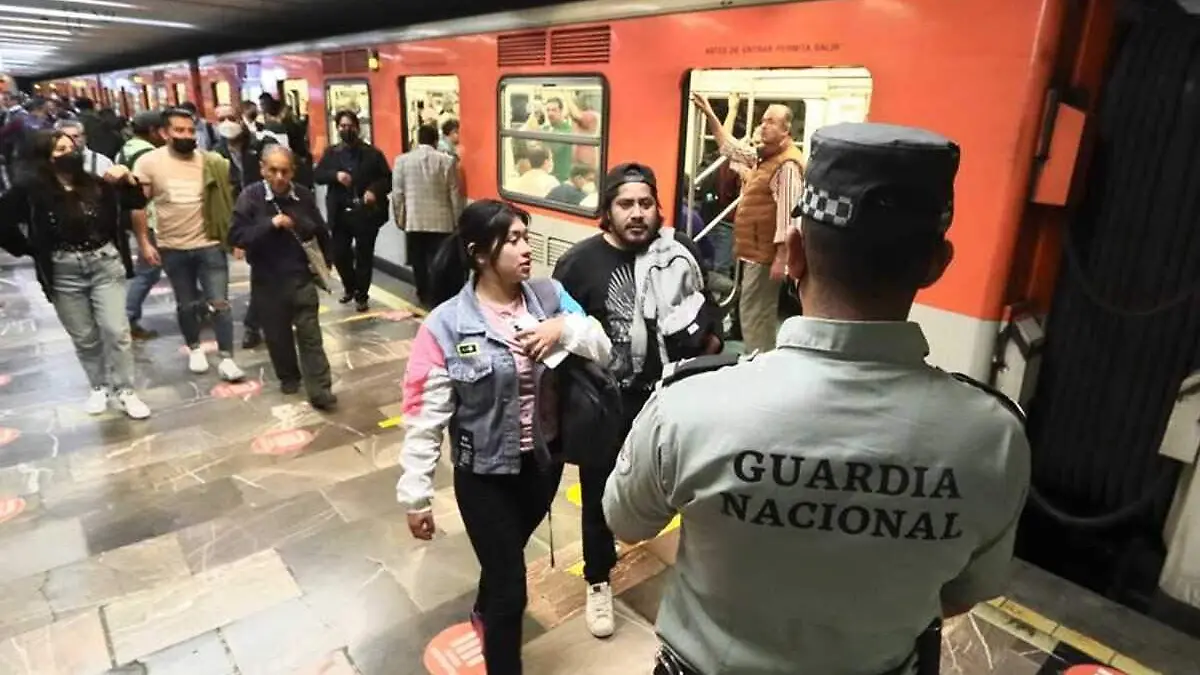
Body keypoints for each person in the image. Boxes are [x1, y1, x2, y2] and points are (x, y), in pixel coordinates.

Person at [603, 123, 1032, 675]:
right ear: (935, 266)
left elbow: (627, 522)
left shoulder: (691, 404)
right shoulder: (994, 438)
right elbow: (961, 594)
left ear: (795, 254)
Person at [398, 200, 612, 675]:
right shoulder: (446, 325)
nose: (524, 248)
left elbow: (602, 344)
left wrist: (563, 328)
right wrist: (416, 494)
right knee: (511, 586)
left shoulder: (551, 296)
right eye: (511, 240)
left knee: (503, 565)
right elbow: (423, 416)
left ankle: (484, 611)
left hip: (542, 465)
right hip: (484, 476)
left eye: (524, 236)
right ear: (478, 255)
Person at [553, 162, 723, 639]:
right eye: (625, 204)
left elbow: (703, 310)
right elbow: (560, 333)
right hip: (609, 406)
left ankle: (699, 575)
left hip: (671, 400)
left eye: (645, 204)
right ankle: (597, 578)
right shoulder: (578, 264)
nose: (637, 214)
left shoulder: (680, 251)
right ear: (607, 210)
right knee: (600, 496)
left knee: (690, 489)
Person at [0, 131, 152, 419]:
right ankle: (99, 386)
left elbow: (135, 202)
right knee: (84, 336)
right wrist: (29, 249)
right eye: (61, 149)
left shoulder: (96, 185)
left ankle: (126, 390)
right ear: (46, 156)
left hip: (103, 263)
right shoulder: (30, 191)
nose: (70, 153)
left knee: (116, 330)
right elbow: (3, 221)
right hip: (63, 271)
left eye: (72, 147)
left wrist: (128, 178)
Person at [132, 107, 245, 382]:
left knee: (220, 303)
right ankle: (194, 348)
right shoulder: (148, 163)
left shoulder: (211, 162)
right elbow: (137, 207)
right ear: (164, 133)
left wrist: (234, 239)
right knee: (186, 304)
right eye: (179, 130)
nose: (186, 135)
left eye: (190, 130)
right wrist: (145, 243)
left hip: (210, 244)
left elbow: (228, 201)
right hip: (172, 247)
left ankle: (227, 358)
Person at [692, 93, 804, 355]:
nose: (764, 125)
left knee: (756, 314)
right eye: (763, 120)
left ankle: (760, 365)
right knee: (753, 310)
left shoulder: (786, 164)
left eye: (771, 122)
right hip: (755, 252)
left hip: (765, 255)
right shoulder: (765, 157)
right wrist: (710, 114)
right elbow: (729, 148)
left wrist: (781, 257)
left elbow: (789, 217)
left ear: (786, 130)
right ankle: (758, 360)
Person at [229, 145, 336, 410]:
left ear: (293, 171)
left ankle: (320, 389)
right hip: (267, 279)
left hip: (300, 276)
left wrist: (327, 263)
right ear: (263, 169)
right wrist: (270, 224)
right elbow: (236, 236)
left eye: (284, 171)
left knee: (311, 336)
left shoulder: (302, 196)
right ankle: (288, 376)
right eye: (273, 170)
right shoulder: (250, 197)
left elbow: (320, 231)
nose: (279, 177)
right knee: (277, 335)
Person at [314, 110, 392, 311]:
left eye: (349, 126)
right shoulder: (331, 153)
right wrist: (335, 175)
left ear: (357, 127)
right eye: (342, 126)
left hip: (365, 213)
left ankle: (361, 295)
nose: (346, 129)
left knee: (364, 255)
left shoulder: (373, 154)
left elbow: (387, 179)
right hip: (340, 213)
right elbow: (318, 175)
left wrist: (374, 190)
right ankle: (350, 286)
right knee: (340, 254)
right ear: (337, 128)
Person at [214, 103, 275, 350]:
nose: (227, 123)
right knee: (263, 276)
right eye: (221, 119)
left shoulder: (261, 146)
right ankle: (254, 325)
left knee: (265, 276)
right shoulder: (215, 155)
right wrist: (236, 239)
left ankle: (255, 324)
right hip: (244, 224)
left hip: (269, 217)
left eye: (231, 118)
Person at [390, 124, 464, 308]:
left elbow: (398, 194)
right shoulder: (447, 161)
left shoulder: (402, 161)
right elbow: (454, 195)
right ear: (435, 140)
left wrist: (400, 220)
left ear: (418, 139)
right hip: (442, 223)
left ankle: (423, 294)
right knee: (439, 262)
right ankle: (438, 296)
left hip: (414, 222)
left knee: (419, 262)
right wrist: (458, 222)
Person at [117, 110, 168, 341]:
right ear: (152, 131)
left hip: (133, 216)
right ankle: (128, 318)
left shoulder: (125, 149)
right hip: (151, 218)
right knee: (148, 271)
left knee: (166, 266)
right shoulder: (147, 155)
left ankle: (198, 302)